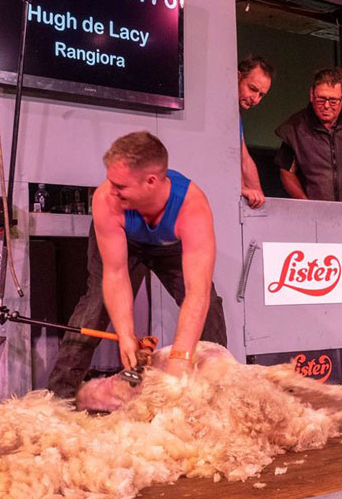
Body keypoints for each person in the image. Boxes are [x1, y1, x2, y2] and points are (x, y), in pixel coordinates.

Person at [47, 131, 227, 398]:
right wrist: (126, 334)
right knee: (95, 306)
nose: (112, 190)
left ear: (150, 181)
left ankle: (216, 392)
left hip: (169, 247)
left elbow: (195, 292)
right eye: (111, 182)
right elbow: (116, 273)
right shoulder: (106, 199)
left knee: (208, 306)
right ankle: (59, 398)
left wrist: (180, 360)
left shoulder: (192, 206)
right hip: (123, 243)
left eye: (121, 186)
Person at [274, 67, 342, 201]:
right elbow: (286, 171)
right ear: (311, 94)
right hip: (315, 212)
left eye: (333, 101)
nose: (326, 106)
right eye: (321, 99)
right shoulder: (295, 128)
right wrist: (305, 202)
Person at [238, 56, 274, 209]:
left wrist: (260, 198)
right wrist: (238, 188)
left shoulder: (236, 117)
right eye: (252, 89)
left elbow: (244, 157)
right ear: (238, 77)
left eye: (261, 95)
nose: (255, 99)